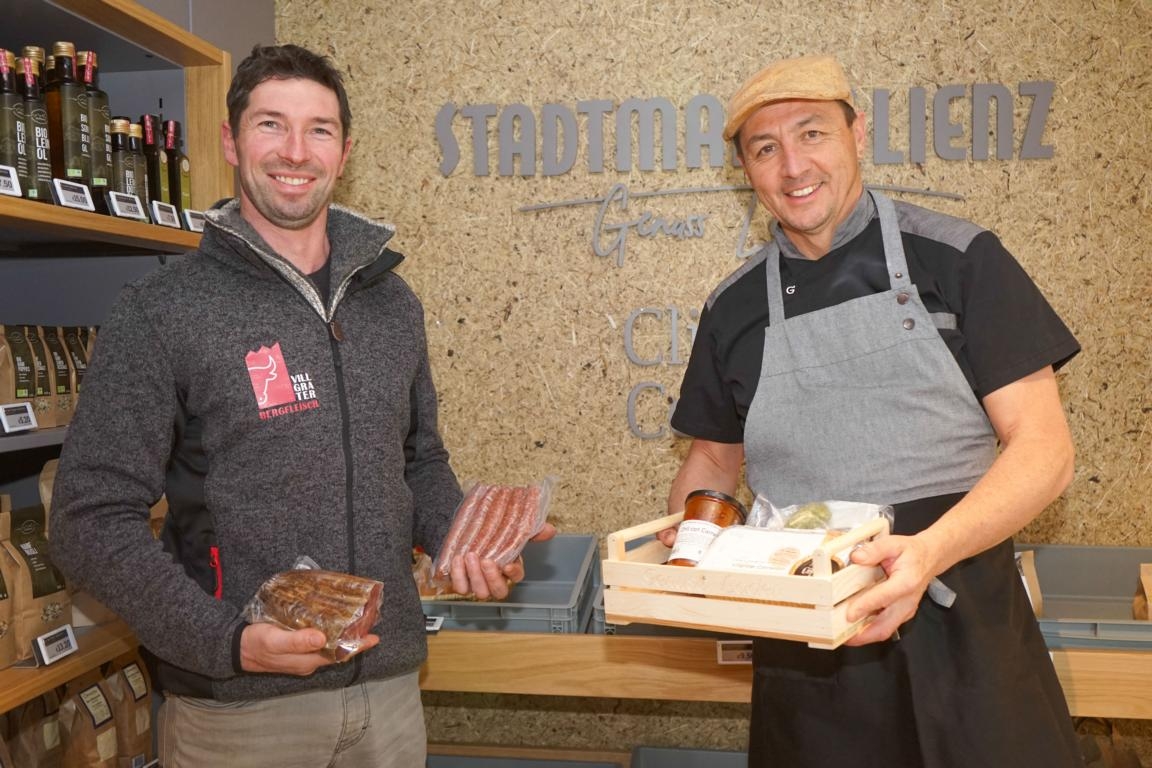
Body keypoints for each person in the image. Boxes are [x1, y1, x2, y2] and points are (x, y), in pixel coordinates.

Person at [50, 44, 551, 768]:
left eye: (319, 130)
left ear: (344, 152)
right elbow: (87, 519)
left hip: (389, 696)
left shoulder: (392, 304)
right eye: (270, 124)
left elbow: (418, 463)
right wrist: (226, 642)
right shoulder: (163, 310)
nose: (295, 151)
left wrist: (465, 539)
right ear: (230, 141)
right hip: (240, 712)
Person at [662, 55, 1083, 767]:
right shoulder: (731, 309)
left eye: (813, 134)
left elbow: (1046, 451)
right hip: (808, 655)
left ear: (858, 133)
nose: (794, 166)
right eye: (766, 149)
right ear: (745, 171)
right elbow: (711, 458)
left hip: (964, 629)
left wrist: (927, 553)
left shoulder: (958, 259)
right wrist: (689, 550)